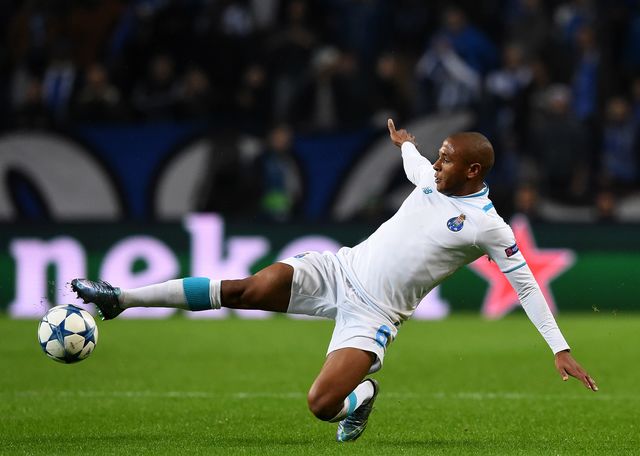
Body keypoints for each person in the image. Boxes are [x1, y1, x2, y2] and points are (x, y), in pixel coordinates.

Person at [72, 119, 598, 443]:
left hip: (374, 315)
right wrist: (405, 143)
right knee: (244, 289)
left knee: (321, 405)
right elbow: (415, 163)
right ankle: (122, 299)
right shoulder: (431, 178)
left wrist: (559, 348)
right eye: (438, 155)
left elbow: (526, 284)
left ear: (473, 172)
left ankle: (361, 394)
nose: (437, 164)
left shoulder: (489, 226)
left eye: (447, 159)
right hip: (338, 270)